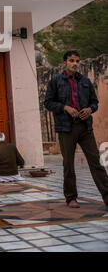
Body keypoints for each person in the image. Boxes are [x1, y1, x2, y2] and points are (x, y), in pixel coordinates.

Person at [44, 50, 108, 209]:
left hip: (85, 127)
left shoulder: (85, 81)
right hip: (66, 128)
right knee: (68, 164)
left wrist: (89, 109)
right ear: (65, 62)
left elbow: (95, 102)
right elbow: (48, 103)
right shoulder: (56, 81)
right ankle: (71, 198)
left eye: (77, 61)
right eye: (72, 60)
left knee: (96, 162)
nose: (75, 64)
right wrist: (65, 107)